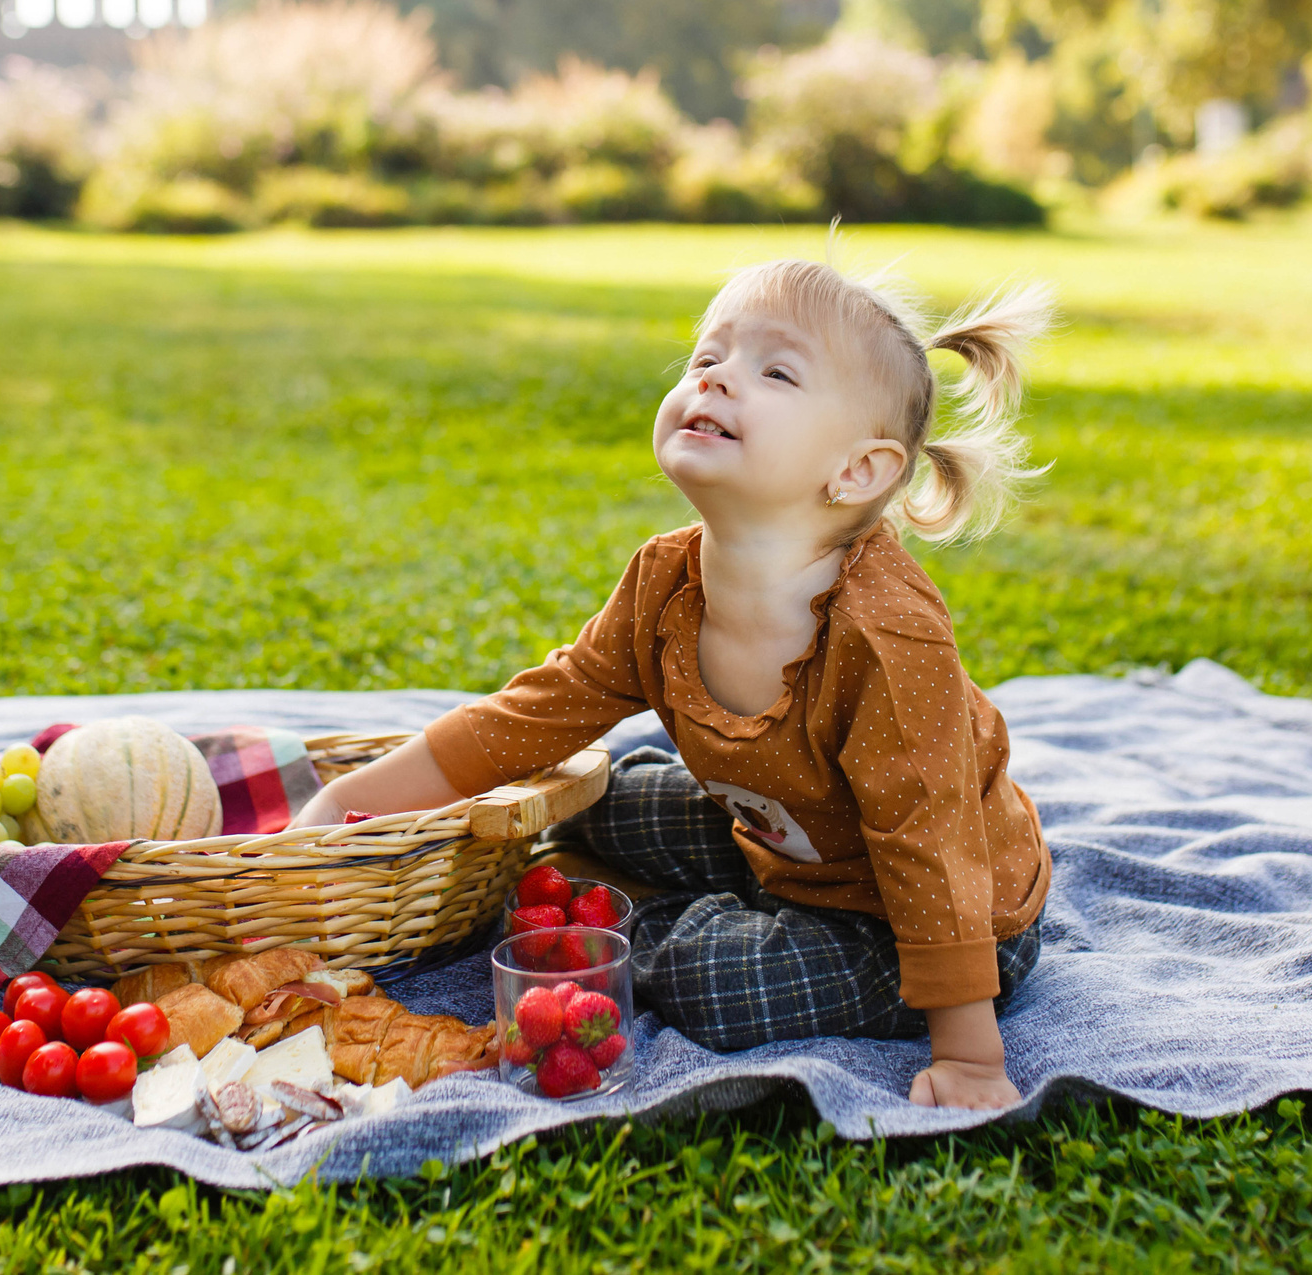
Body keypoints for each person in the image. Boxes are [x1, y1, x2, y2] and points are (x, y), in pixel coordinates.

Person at [295, 257, 1054, 1110]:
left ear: (857, 472)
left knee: (715, 978)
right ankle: (670, 887)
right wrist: (350, 801)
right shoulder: (666, 582)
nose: (719, 377)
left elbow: (933, 844)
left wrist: (969, 1055)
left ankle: (645, 926)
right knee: (597, 796)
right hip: (778, 843)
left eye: (775, 371)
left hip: (929, 921)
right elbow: (531, 718)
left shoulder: (885, 639)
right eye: (707, 358)